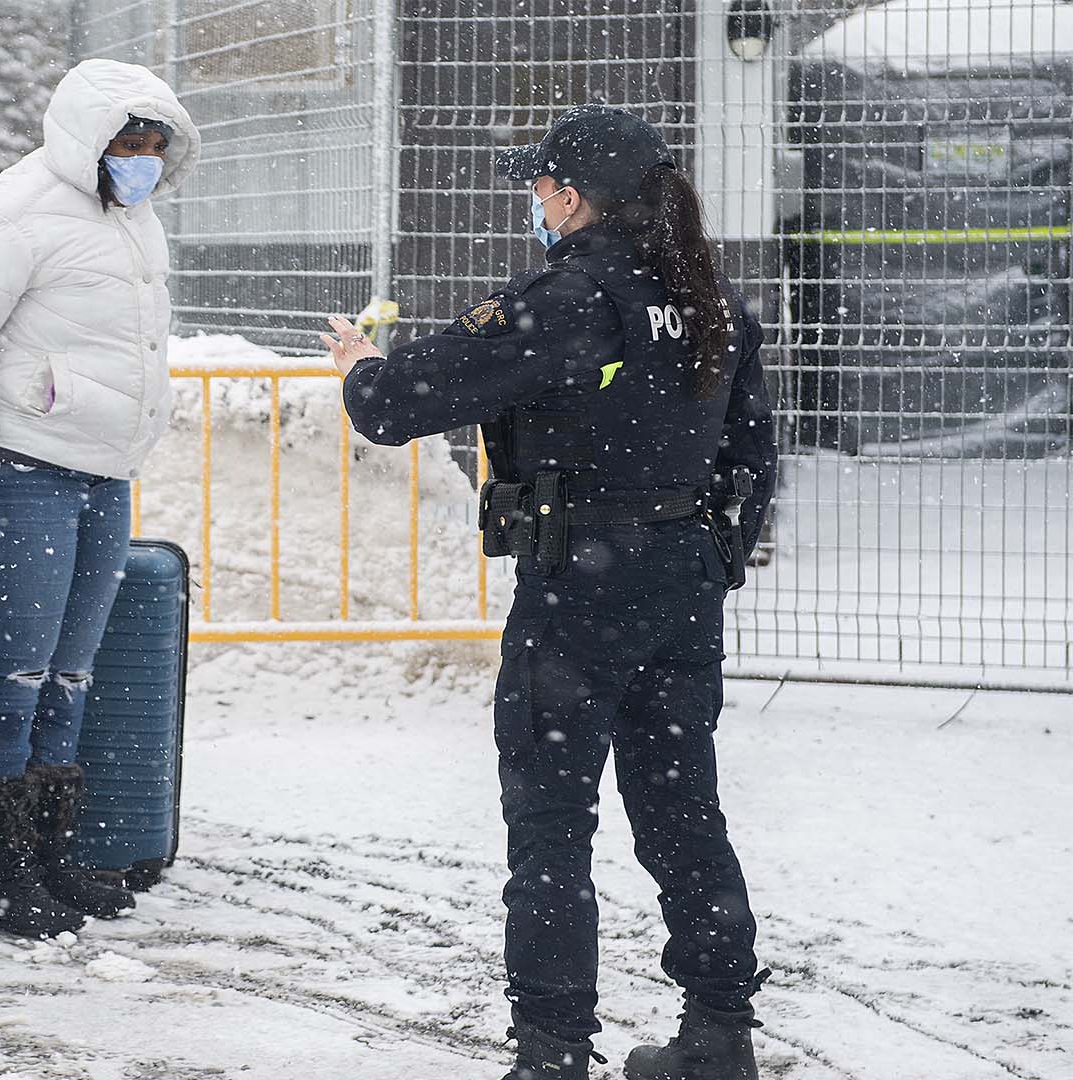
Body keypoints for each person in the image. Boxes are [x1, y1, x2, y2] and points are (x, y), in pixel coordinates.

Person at [321, 105, 778, 1080]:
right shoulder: (709, 296)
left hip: (579, 589)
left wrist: (362, 368)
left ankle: (554, 1054)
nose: (532, 200)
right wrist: (706, 562)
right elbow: (752, 457)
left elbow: (399, 404)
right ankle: (718, 1031)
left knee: (551, 828)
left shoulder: (567, 296)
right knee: (684, 812)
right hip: (678, 580)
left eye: (539, 185)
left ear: (570, 196)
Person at [0, 58, 199, 939]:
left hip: (105, 474)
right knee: (16, 678)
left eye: (153, 143)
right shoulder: (13, 212)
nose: (141, 158)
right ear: (87, 140)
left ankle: (48, 855)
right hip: (25, 469)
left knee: (71, 675)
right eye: (125, 142)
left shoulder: (136, 221)